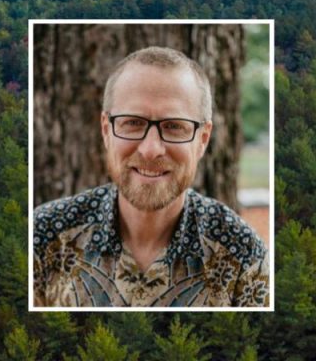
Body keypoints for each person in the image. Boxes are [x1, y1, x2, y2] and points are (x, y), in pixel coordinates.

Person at [33, 46, 269, 307]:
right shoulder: (42, 237)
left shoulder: (243, 256)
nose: (151, 149)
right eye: (133, 122)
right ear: (106, 130)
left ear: (203, 140)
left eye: (174, 126)